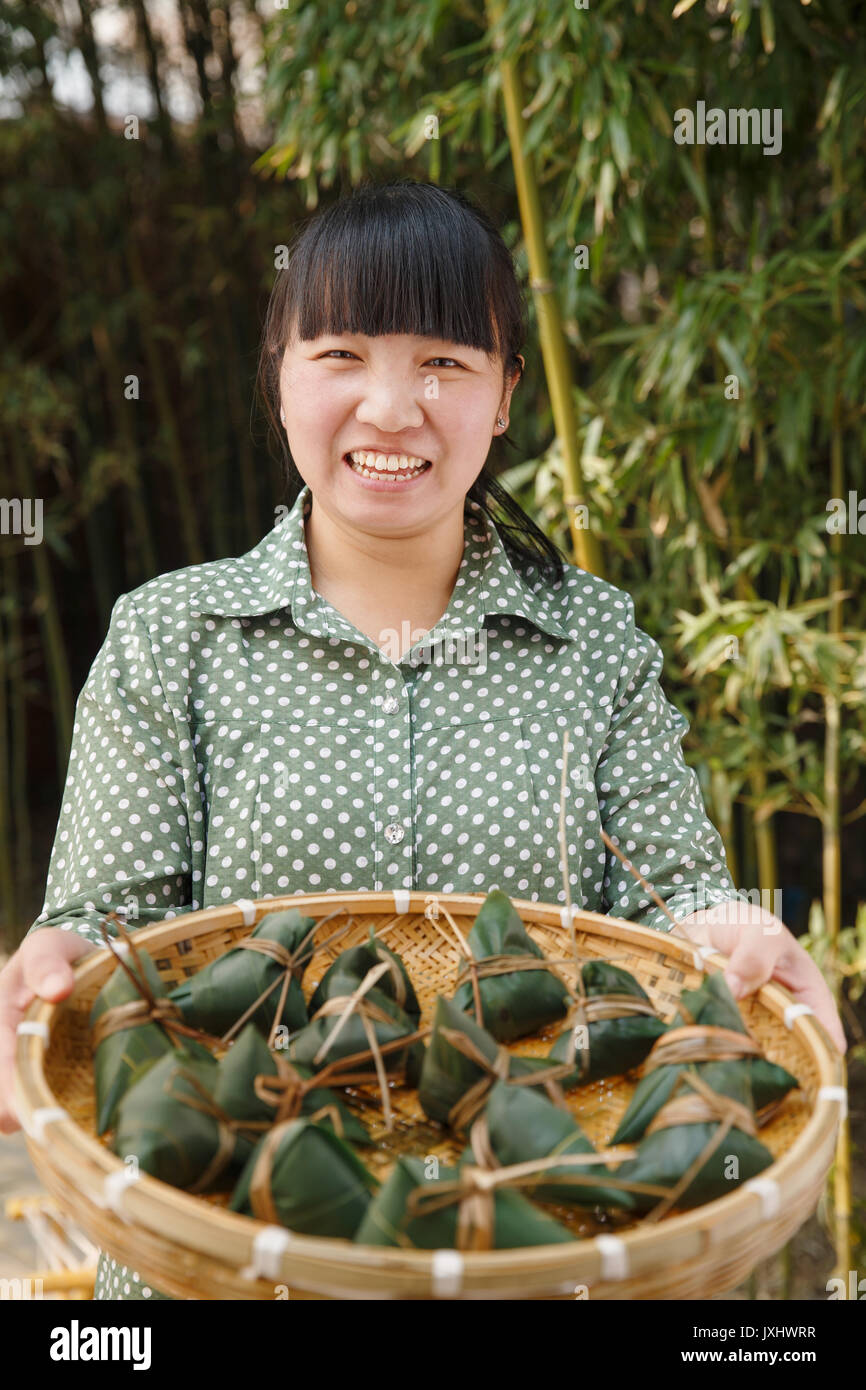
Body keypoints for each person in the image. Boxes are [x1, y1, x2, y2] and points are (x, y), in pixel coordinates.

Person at [0, 180, 845, 1301]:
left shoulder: (589, 638)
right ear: (281, 375)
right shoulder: (173, 637)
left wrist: (738, 933)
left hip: (532, 1256)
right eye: (341, 352)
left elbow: (670, 908)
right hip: (217, 1248)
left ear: (503, 394)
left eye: (443, 361)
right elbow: (111, 931)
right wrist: (56, 965)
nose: (391, 407)